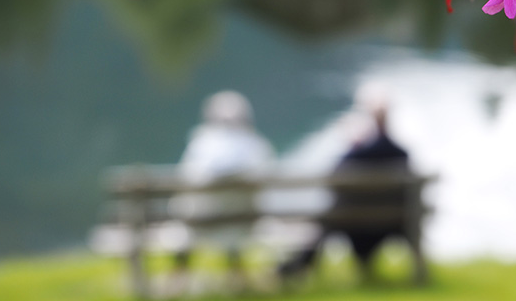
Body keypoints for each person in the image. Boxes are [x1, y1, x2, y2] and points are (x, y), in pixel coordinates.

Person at [278, 81, 411, 280]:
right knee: (328, 218)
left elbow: (334, 180)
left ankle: (299, 265)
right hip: (395, 221)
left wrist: (353, 146)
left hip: (354, 221)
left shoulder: (357, 155)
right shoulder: (401, 154)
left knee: (325, 221)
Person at [171, 90, 275, 289]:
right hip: (244, 220)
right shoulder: (256, 146)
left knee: (188, 208)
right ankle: (237, 276)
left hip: (202, 221)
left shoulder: (202, 144)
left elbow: (187, 178)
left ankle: (178, 278)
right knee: (232, 215)